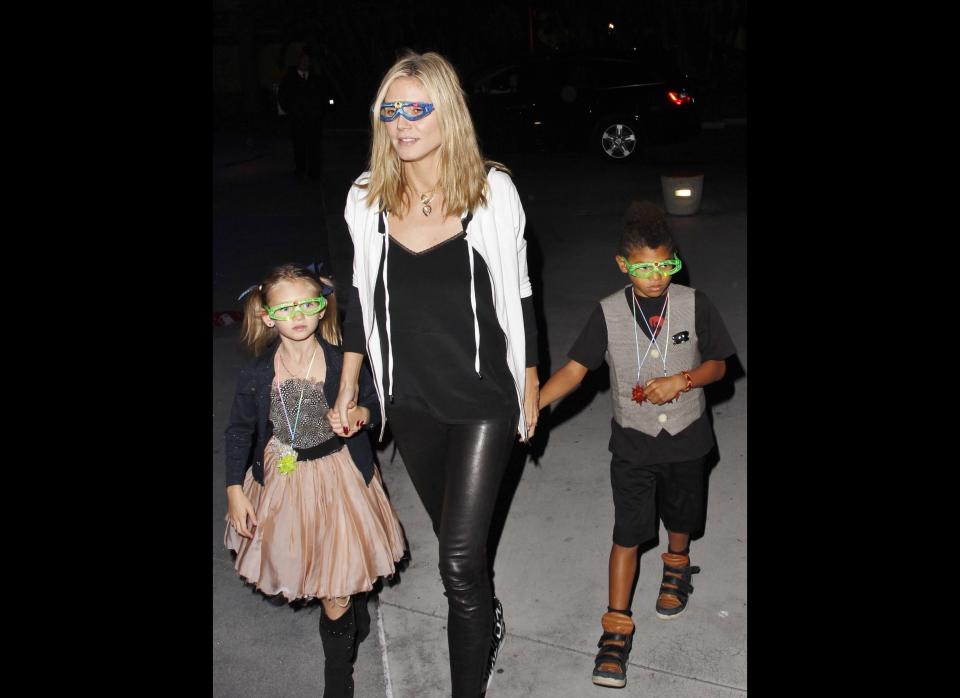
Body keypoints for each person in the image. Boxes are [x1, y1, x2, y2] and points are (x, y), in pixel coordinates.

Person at [333, 51, 540, 697]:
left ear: (447, 113)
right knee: (465, 554)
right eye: (391, 109)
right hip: (411, 401)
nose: (402, 122)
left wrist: (530, 380)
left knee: (453, 562)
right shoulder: (365, 198)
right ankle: (486, 610)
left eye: (417, 108)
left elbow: (522, 291)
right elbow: (360, 296)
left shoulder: (490, 192)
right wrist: (349, 383)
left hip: (483, 399)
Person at [537, 200, 736, 689]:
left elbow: (720, 365)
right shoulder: (607, 313)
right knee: (627, 531)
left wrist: (685, 379)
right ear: (624, 266)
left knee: (683, 515)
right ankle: (616, 628)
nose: (655, 276)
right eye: (643, 268)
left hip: (688, 438)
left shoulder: (694, 302)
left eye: (665, 265)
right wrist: (532, 405)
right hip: (633, 444)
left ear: (676, 261)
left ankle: (676, 566)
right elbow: (574, 371)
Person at [224, 263, 406, 698]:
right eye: (286, 308)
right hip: (285, 478)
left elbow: (374, 403)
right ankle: (349, 609)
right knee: (311, 565)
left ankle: (337, 682)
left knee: (336, 587)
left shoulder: (342, 361)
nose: (298, 315)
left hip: (339, 475)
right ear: (267, 316)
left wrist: (361, 415)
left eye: (308, 303)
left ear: (322, 307)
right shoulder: (257, 374)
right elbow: (239, 431)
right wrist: (234, 489)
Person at [278, 50, 326, 179]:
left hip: (313, 122)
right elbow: (282, 97)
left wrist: (318, 113)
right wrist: (292, 112)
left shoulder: (315, 79)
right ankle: (300, 171)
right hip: (297, 122)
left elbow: (321, 97)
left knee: (314, 148)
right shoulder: (289, 79)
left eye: (307, 61)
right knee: (299, 148)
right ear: (299, 61)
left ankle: (314, 172)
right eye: (303, 60)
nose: (305, 63)